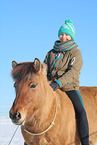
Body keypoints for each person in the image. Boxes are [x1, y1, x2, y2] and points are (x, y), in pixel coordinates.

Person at [44, 19, 89, 145]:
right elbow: (44, 68)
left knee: (81, 111)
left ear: (71, 36)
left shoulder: (75, 52)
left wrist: (58, 82)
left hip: (69, 87)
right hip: (51, 86)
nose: (63, 37)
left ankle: (85, 142)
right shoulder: (51, 53)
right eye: (61, 34)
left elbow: (73, 72)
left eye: (66, 34)